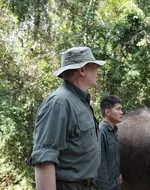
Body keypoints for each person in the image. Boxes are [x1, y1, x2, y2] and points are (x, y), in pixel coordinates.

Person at [29, 46, 106, 190]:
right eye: (94, 66)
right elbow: (44, 159)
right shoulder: (59, 103)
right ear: (82, 70)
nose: (97, 71)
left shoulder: (79, 102)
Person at [96, 95, 124, 190]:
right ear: (107, 112)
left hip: (113, 184)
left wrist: (118, 174)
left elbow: (112, 158)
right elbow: (100, 166)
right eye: (118, 109)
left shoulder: (113, 131)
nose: (121, 112)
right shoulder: (101, 132)